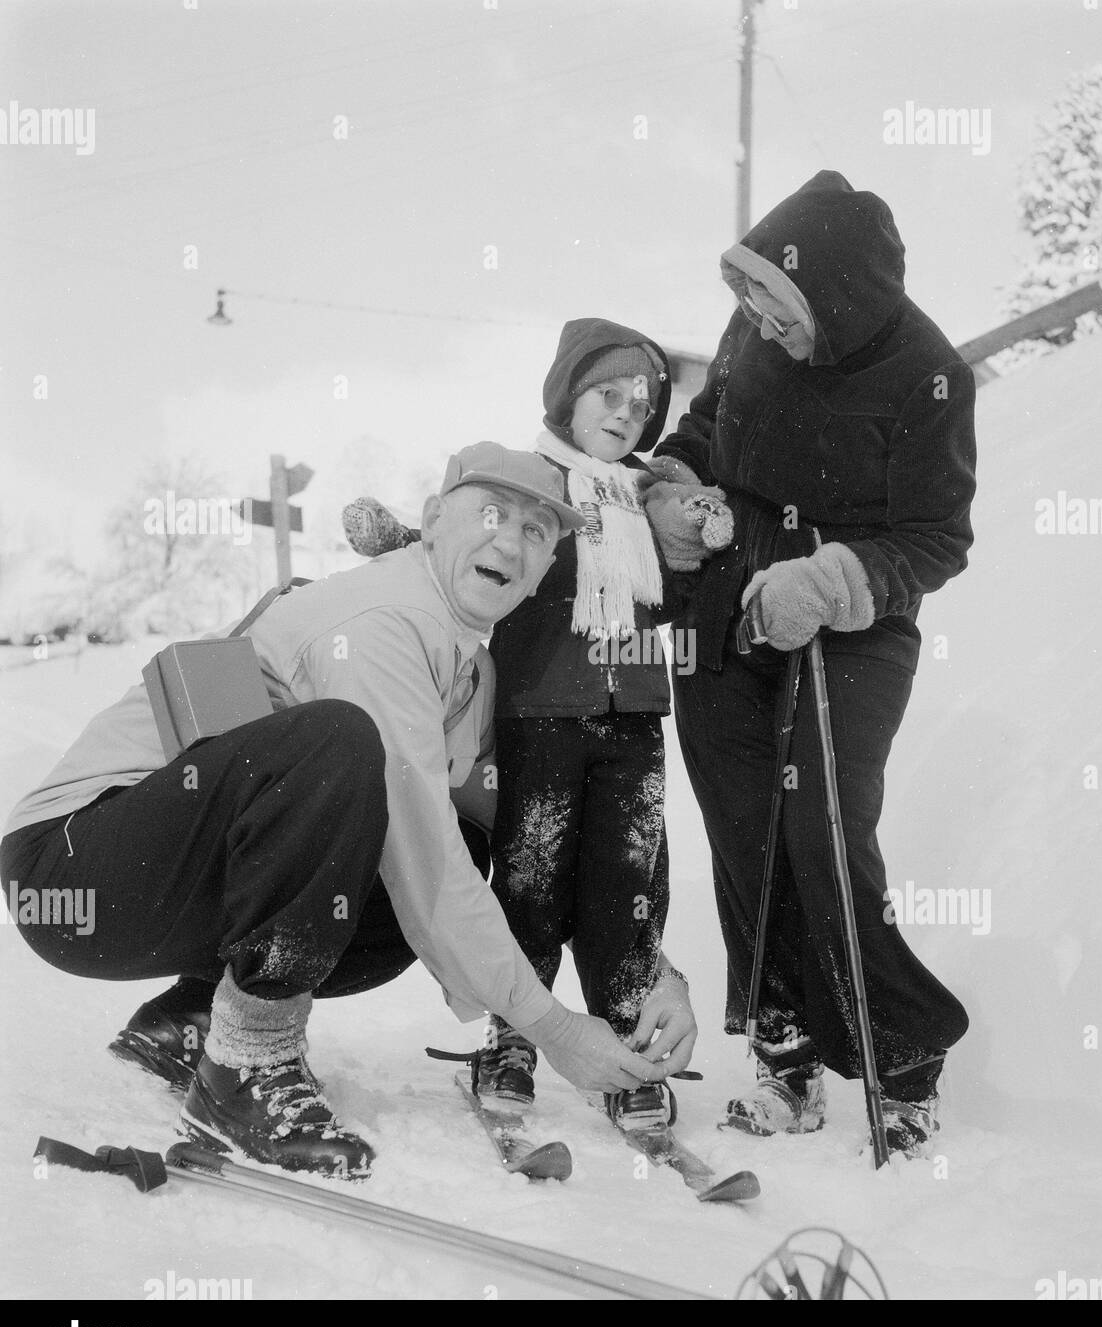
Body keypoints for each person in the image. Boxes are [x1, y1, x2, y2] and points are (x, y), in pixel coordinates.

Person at [0, 443, 689, 1180]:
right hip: (76, 867)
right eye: (491, 514)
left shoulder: (467, 664)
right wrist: (551, 1028)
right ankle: (244, 1067)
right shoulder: (384, 622)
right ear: (431, 522)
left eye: (536, 532)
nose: (510, 541)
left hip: (162, 874)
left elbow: (523, 841)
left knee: (454, 839)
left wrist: (653, 970)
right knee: (342, 746)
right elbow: (427, 869)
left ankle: (190, 1020)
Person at [649, 170, 976, 1153]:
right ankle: (785, 1056)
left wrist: (829, 581)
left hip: (852, 622)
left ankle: (903, 1050)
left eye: (775, 303)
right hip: (724, 605)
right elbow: (702, 435)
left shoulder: (929, 373)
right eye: (746, 294)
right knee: (747, 836)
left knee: (821, 831)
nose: (752, 317)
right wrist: (677, 491)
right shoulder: (752, 333)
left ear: (833, 298)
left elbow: (936, 537)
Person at [344, 320, 732, 1132]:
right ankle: (516, 1034)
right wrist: (402, 541)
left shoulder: (645, 494)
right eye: (608, 393)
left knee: (625, 884)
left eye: (643, 402)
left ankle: (626, 1034)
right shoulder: (534, 479)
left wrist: (702, 527)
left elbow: (681, 582)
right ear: (567, 393)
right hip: (539, 712)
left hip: (633, 720)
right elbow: (478, 540)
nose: (627, 412)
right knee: (530, 877)